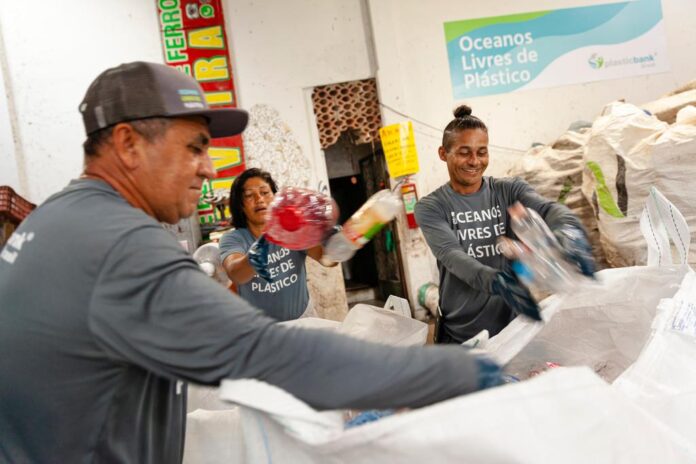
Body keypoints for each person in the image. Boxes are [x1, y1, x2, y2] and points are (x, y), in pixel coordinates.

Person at [0, 62, 503, 464]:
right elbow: (268, 350)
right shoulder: (120, 244)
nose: (208, 166)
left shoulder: (62, 216)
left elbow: (330, 255)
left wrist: (368, 218)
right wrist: (466, 374)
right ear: (128, 144)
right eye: (194, 148)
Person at [415, 105, 595, 345]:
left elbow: (547, 209)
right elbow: (452, 255)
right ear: (443, 153)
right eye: (464, 152)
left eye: (482, 152)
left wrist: (569, 228)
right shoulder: (431, 207)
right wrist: (497, 282)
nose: (474, 161)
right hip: (462, 334)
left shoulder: (509, 190)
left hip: (514, 326)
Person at [219, 168, 325, 321]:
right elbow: (236, 274)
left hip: (304, 318)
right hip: (261, 331)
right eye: (249, 195)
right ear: (241, 206)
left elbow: (326, 258)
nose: (259, 199)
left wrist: (339, 241)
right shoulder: (233, 239)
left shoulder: (292, 230)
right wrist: (268, 237)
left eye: (265, 192)